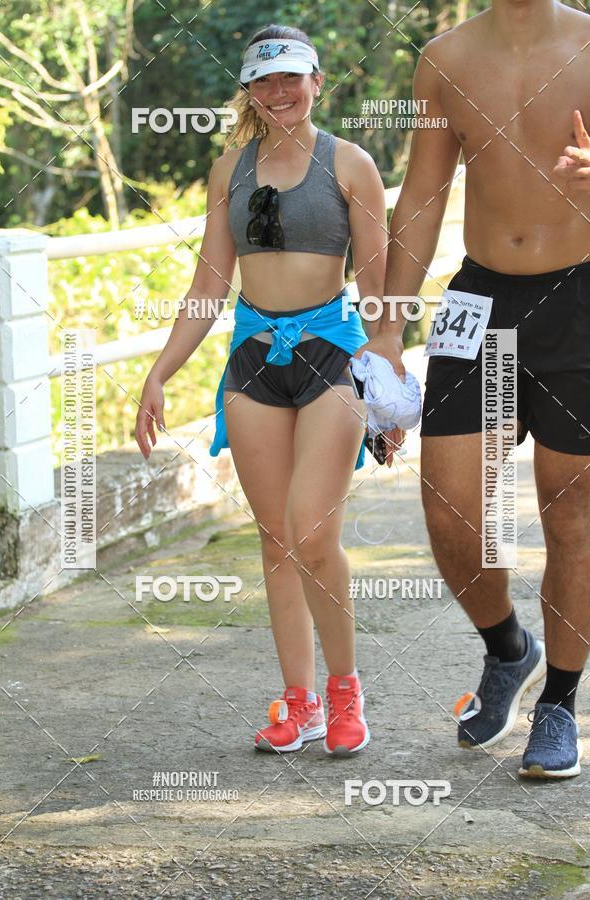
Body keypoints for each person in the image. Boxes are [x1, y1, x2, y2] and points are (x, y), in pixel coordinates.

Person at [135, 24, 389, 755]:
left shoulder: (351, 164)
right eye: (264, 81)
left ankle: (345, 692)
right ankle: (299, 703)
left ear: (317, 81)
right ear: (248, 90)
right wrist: (159, 372)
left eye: (291, 78)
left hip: (330, 356)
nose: (279, 92)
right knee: (276, 538)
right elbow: (210, 282)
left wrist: (387, 382)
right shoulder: (229, 171)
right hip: (252, 361)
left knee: (312, 531)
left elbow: (380, 288)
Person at [372, 0, 590, 777]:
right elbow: (423, 195)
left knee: (571, 515)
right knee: (451, 507)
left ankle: (558, 704)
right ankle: (507, 647)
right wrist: (387, 329)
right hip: (482, 302)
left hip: (581, 298)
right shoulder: (445, 58)